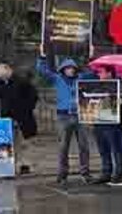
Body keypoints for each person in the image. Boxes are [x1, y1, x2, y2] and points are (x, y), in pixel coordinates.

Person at [37, 51, 93, 185]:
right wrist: (42, 56)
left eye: (72, 68)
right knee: (63, 146)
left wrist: (91, 55)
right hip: (63, 116)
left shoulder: (81, 78)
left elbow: (93, 71)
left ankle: (85, 172)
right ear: (63, 69)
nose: (70, 70)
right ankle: (62, 174)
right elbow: (41, 70)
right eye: (68, 68)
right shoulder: (57, 78)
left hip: (80, 115)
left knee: (84, 146)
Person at [0, 62, 38, 174]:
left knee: (25, 141)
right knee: (10, 141)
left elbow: (33, 95)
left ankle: (25, 164)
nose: (3, 79)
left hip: (24, 115)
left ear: (9, 71)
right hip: (6, 115)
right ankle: (12, 164)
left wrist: (28, 108)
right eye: (0, 77)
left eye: (5, 76)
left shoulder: (22, 80)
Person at [91, 67, 122, 185]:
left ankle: (118, 173)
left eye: (101, 72)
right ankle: (106, 172)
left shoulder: (117, 85)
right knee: (103, 149)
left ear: (109, 73)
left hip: (111, 121)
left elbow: (119, 101)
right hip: (98, 120)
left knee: (115, 148)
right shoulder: (96, 85)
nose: (99, 74)